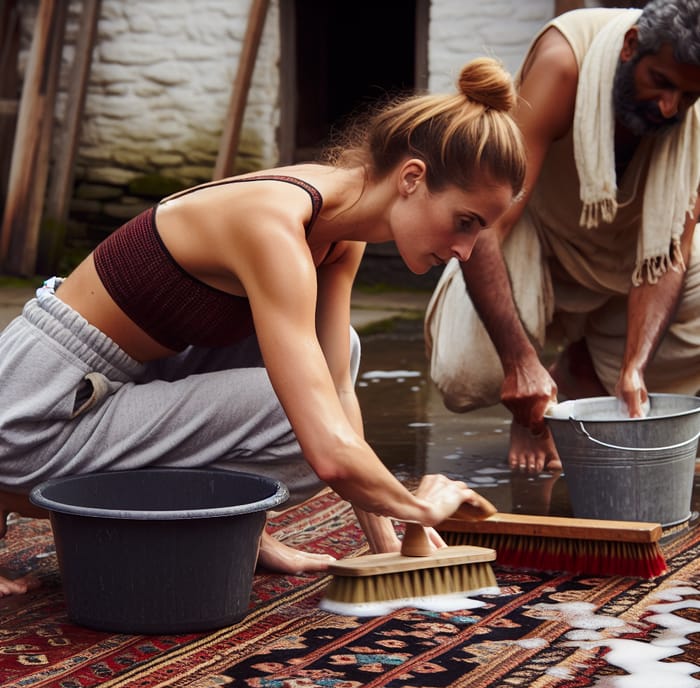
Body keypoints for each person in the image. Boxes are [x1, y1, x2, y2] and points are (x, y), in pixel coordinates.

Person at [0, 57, 527, 596]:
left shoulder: (340, 233)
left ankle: (233, 528)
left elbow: (338, 389)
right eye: (465, 223)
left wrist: (388, 539)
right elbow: (325, 447)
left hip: (107, 386)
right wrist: (419, 505)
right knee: (295, 417)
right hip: (34, 415)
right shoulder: (274, 226)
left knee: (334, 356)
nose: (465, 251)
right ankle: (20, 495)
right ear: (412, 178)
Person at [426, 0, 700, 474]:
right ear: (630, 47)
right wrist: (518, 361)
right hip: (536, 234)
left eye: (688, 96)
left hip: (628, 255)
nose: (669, 106)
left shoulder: (690, 112)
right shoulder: (565, 60)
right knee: (467, 372)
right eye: (661, 82)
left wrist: (634, 368)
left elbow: (671, 251)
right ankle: (531, 405)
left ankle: (582, 373)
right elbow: (492, 218)